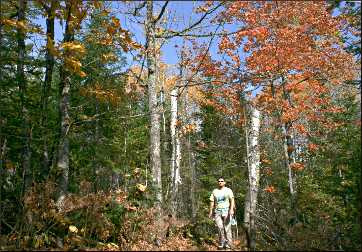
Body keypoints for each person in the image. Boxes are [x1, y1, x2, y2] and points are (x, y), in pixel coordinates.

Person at [209, 176, 235, 249]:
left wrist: (231, 209)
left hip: (226, 211)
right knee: (220, 228)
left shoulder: (228, 190)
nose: (220, 182)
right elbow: (212, 201)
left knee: (227, 228)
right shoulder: (215, 191)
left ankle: (229, 244)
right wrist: (210, 211)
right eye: (219, 181)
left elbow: (232, 199)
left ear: (224, 182)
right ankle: (221, 243)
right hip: (217, 212)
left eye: (222, 181)